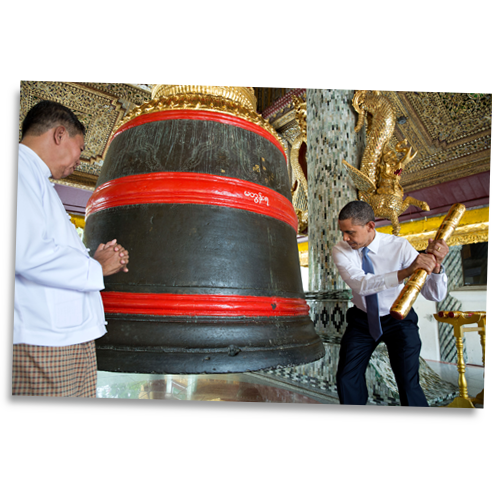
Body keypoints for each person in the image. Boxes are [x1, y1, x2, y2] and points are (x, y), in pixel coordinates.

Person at [14, 100, 130, 398]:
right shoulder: (20, 170)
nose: (79, 159)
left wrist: (94, 260)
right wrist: (97, 267)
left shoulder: (37, 179)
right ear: (59, 135)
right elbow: (25, 253)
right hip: (44, 338)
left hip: (63, 335)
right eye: (79, 149)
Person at [332, 200, 449, 406]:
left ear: (370, 226)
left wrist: (436, 266)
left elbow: (434, 294)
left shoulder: (400, 247)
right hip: (363, 320)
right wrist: (405, 272)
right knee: (346, 378)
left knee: (408, 382)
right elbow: (362, 285)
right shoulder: (341, 249)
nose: (345, 237)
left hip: (399, 319)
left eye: (350, 232)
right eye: (343, 232)